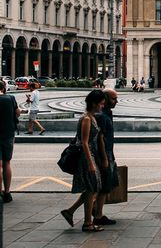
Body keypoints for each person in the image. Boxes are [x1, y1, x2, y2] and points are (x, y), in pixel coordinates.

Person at [60, 89, 106, 232]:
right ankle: (87, 223)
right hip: (87, 158)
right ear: (94, 103)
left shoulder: (91, 117)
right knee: (93, 187)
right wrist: (91, 163)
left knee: (92, 189)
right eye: (101, 103)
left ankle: (70, 212)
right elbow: (84, 142)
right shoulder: (86, 119)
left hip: (91, 156)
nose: (103, 106)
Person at [93, 88, 119, 226]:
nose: (117, 101)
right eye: (114, 99)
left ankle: (73, 210)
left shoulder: (107, 113)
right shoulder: (102, 115)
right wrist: (105, 158)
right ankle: (97, 214)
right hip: (104, 154)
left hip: (107, 153)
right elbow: (101, 138)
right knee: (104, 185)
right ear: (105, 99)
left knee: (101, 185)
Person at [0, 80, 21, 202]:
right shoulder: (11, 98)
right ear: (4, 88)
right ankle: (7, 193)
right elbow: (17, 113)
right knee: (7, 163)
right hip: (8, 134)